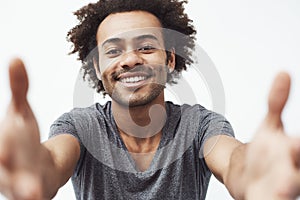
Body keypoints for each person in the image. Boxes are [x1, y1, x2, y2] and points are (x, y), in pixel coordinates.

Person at [0, 0, 300, 199]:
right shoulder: (79, 126)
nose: (130, 59)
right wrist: (33, 168)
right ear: (97, 66)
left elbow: (234, 161)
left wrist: (252, 175)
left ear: (169, 59)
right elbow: (52, 161)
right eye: (114, 51)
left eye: (145, 47)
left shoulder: (200, 125)